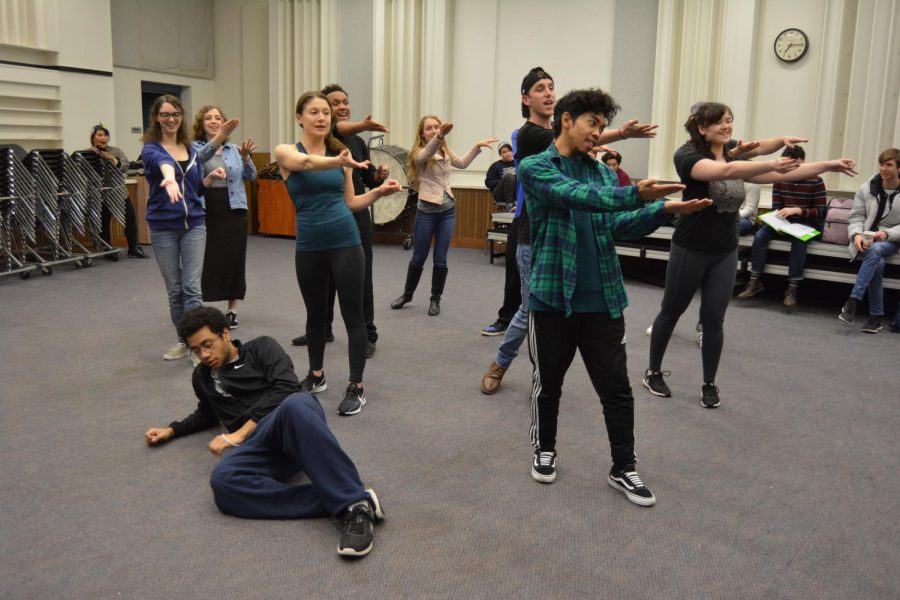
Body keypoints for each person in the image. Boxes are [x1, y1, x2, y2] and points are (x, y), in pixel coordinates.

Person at [519, 88, 709, 505]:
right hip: (552, 298)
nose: (598, 133)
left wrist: (662, 212)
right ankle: (544, 448)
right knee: (548, 384)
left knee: (617, 391)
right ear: (566, 119)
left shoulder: (603, 172)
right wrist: (636, 193)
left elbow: (617, 225)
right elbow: (575, 197)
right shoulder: (536, 166)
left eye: (603, 126)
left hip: (603, 298)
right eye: (593, 123)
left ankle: (624, 467)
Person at [643, 102, 856, 408]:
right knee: (671, 311)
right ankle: (653, 372)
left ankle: (709, 383)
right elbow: (729, 170)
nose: (727, 126)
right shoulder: (688, 156)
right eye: (719, 122)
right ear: (702, 128)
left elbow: (768, 162)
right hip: (691, 247)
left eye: (729, 120)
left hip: (724, 250)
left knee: (714, 319)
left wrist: (827, 165)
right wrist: (769, 164)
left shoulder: (731, 151)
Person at [143, 307, 385, 557]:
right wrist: (171, 430)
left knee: (296, 402)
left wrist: (239, 433)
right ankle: (349, 497)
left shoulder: (262, 348)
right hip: (260, 450)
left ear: (225, 334)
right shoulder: (202, 377)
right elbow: (207, 413)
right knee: (223, 481)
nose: (204, 355)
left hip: (295, 427)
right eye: (196, 350)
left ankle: (355, 508)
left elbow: (287, 387)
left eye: (208, 344)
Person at [481, 66, 658, 395]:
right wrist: (620, 134)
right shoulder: (529, 135)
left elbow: (581, 141)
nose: (548, 92)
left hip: (570, 229)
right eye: (539, 88)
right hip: (533, 233)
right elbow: (569, 140)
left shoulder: (572, 139)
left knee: (555, 314)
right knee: (532, 308)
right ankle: (503, 363)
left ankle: (542, 377)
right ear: (526, 99)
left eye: (551, 87)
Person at [274, 91, 401, 416]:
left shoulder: (340, 155)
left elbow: (350, 202)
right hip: (309, 248)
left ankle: (356, 386)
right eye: (313, 112)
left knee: (353, 317)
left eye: (325, 113)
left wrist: (376, 191)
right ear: (299, 117)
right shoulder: (286, 151)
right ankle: (316, 376)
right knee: (316, 316)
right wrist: (340, 161)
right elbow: (303, 164)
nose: (321, 118)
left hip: (346, 242)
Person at [291, 84, 390, 358]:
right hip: (327, 218)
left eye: (345, 101)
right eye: (335, 104)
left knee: (360, 278)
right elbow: (338, 129)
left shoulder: (357, 142)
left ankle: (368, 334)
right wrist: (362, 124)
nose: (341, 107)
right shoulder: (329, 135)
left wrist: (378, 178)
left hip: (356, 216)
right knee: (325, 280)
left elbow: (367, 179)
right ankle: (323, 328)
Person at [141, 94, 226, 362]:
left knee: (192, 288)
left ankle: (198, 345)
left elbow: (195, 188)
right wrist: (169, 179)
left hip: (195, 226)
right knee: (175, 289)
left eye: (175, 114)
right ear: (157, 117)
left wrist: (209, 178)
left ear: (181, 117)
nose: (171, 119)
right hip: (163, 227)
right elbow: (164, 165)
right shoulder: (151, 149)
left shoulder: (190, 150)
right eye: (165, 114)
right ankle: (185, 341)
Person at [389, 116, 497, 316]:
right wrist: (439, 136)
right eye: (429, 128)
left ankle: (435, 299)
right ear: (422, 133)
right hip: (426, 213)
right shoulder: (418, 153)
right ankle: (407, 294)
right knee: (419, 257)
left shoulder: (445, 151)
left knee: (441, 259)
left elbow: (463, 163)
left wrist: (476, 147)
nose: (433, 130)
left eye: (436, 127)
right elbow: (427, 152)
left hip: (447, 211)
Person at [192, 106, 258, 329]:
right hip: (207, 206)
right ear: (201, 124)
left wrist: (246, 157)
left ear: (224, 122)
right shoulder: (195, 148)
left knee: (234, 259)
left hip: (234, 208)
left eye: (217, 118)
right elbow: (195, 165)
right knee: (206, 258)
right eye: (208, 118)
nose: (213, 121)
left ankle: (232, 310)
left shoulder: (234, 149)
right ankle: (200, 308)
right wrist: (217, 140)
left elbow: (252, 176)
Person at [737, 146, 826, 307]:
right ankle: (754, 280)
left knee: (799, 242)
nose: (794, 169)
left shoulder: (816, 180)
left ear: (804, 162)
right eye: (790, 165)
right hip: (784, 222)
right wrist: (778, 217)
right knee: (761, 235)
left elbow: (820, 212)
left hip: (806, 223)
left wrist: (798, 210)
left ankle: (792, 287)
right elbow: (776, 206)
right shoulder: (779, 178)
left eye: (798, 165)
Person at [838, 147, 900, 333]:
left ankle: (853, 301)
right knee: (877, 264)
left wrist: (886, 234)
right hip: (866, 238)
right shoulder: (867, 188)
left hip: (891, 240)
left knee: (876, 251)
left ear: (899, 168)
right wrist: (856, 235)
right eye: (881, 164)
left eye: (888, 165)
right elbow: (856, 217)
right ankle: (876, 317)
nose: (883, 168)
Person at [86, 123, 147, 259]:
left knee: (130, 218)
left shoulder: (116, 151)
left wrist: (112, 159)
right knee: (104, 222)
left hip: (119, 192)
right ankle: (108, 250)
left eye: (106, 135)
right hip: (100, 195)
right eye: (100, 135)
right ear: (93, 137)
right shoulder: (86, 153)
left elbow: (125, 166)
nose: (103, 138)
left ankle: (133, 248)